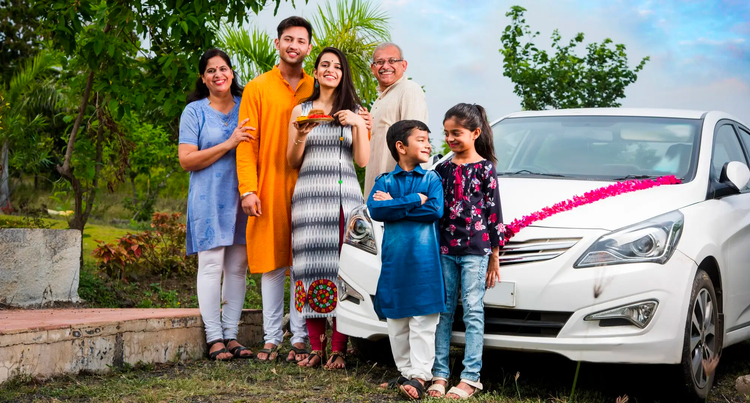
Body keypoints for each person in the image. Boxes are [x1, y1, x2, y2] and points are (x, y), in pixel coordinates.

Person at [235, 16, 315, 363]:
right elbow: (246, 145)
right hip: (268, 187)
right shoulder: (257, 88)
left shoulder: (317, 86)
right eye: (288, 39)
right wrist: (247, 190)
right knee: (272, 265)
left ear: (309, 47)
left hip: (310, 188)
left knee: (301, 266)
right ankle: (271, 338)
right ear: (277, 43)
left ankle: (299, 337)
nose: (294, 45)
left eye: (300, 40)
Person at [286, 47, 370, 370]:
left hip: (344, 199)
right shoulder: (300, 111)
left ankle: (338, 349)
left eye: (336, 66)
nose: (330, 70)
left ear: (343, 73)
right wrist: (301, 135)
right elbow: (292, 161)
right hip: (309, 197)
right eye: (324, 65)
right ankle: (316, 347)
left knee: (343, 270)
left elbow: (361, 161)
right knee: (309, 269)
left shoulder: (355, 111)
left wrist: (358, 125)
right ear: (316, 71)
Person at [178, 48, 254, 361]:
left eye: (223, 69)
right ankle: (214, 338)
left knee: (237, 268)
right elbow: (186, 160)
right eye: (211, 71)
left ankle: (232, 334)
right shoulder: (194, 112)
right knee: (210, 266)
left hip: (242, 197)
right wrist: (228, 143)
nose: (218, 75)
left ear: (232, 73)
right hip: (208, 198)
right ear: (203, 77)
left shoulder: (245, 107)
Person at [428, 103, 504, 399]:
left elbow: (495, 214)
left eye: (456, 133)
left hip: (476, 250)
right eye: (446, 133)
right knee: (443, 311)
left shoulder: (486, 169)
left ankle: (471, 377)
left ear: (475, 132)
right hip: (444, 249)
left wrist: (494, 257)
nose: (449, 139)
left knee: (473, 310)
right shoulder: (441, 169)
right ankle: (439, 373)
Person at [367, 120, 445, 400]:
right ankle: (405, 372)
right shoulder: (384, 180)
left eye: (428, 139)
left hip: (424, 264)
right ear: (401, 147)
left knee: (423, 321)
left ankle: (420, 375)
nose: (428, 145)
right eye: (421, 140)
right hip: (395, 263)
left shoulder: (432, 179)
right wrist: (415, 198)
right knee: (397, 321)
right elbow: (376, 209)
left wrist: (395, 204)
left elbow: (434, 211)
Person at [363, 42, 429, 196]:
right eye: (380, 62)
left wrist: (405, 198)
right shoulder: (380, 100)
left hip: (397, 196)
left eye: (392, 61)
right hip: (378, 195)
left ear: (404, 65)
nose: (386, 66)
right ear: (373, 68)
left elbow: (415, 144)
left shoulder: (409, 89)